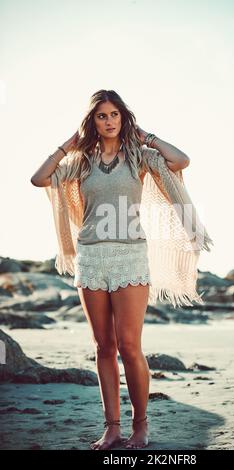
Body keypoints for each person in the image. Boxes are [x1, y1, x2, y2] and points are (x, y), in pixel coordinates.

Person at [30, 89, 214, 450]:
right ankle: (111, 428)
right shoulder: (81, 162)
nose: (109, 121)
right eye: (102, 116)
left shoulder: (139, 156)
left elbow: (182, 161)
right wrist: (66, 145)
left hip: (130, 256)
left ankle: (140, 426)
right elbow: (39, 179)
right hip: (91, 257)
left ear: (123, 118)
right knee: (103, 347)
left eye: (114, 114)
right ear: (92, 122)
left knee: (130, 346)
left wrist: (146, 136)